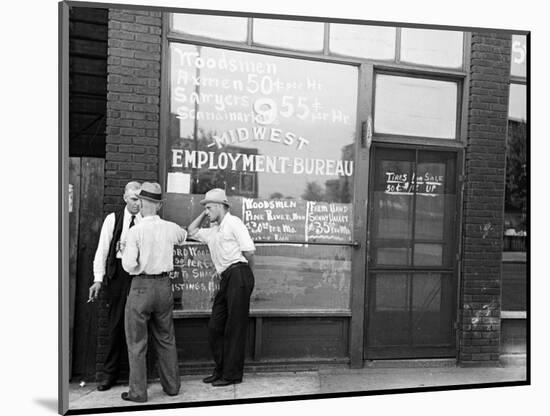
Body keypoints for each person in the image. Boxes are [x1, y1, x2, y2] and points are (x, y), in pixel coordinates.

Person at [121, 182, 187, 403]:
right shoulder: (171, 227)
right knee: (166, 338)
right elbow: (184, 236)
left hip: (141, 286)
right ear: (158, 205)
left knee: (137, 342)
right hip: (164, 286)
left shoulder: (135, 231)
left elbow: (129, 265)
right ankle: (172, 387)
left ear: (141, 203)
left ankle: (138, 392)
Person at [188, 188, 255, 387]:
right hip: (226, 278)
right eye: (206, 208)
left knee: (235, 327)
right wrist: (204, 212)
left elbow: (249, 251)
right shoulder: (213, 231)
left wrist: (247, 276)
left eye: (209, 208)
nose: (207, 212)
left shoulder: (234, 223)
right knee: (216, 326)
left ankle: (232, 375)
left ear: (219, 206)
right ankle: (220, 370)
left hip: (239, 273)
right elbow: (191, 230)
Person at [89, 181, 141, 391]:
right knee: (114, 326)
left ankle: (135, 377)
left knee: (137, 327)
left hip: (138, 274)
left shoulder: (146, 220)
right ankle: (109, 375)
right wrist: (98, 279)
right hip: (118, 276)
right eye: (134, 199)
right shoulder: (113, 219)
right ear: (125, 198)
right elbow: (102, 249)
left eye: (140, 199)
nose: (137, 204)